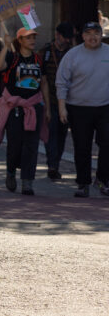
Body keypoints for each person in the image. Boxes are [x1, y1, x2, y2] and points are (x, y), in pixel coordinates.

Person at [55, 21, 109, 198]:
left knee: (107, 144)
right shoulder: (72, 55)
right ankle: (83, 183)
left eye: (96, 33)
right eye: (89, 33)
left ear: (101, 35)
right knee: (82, 147)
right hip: (78, 108)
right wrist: (62, 108)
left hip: (105, 107)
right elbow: (61, 82)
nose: (93, 37)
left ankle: (102, 179)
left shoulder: (108, 52)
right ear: (83, 36)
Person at [0, 28, 49, 196]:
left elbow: (44, 83)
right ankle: (11, 172)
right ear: (20, 40)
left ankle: (28, 182)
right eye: (28, 38)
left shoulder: (39, 60)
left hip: (34, 108)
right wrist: (5, 46)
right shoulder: (13, 57)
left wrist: (48, 107)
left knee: (31, 146)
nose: (32, 40)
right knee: (15, 146)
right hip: (15, 110)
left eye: (34, 37)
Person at [39, 22, 75, 180]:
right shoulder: (45, 52)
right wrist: (46, 106)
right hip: (51, 99)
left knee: (61, 134)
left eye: (69, 38)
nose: (66, 40)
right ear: (57, 35)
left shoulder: (73, 53)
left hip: (68, 100)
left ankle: (55, 163)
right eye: (64, 37)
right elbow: (43, 79)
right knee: (51, 132)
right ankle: (52, 165)